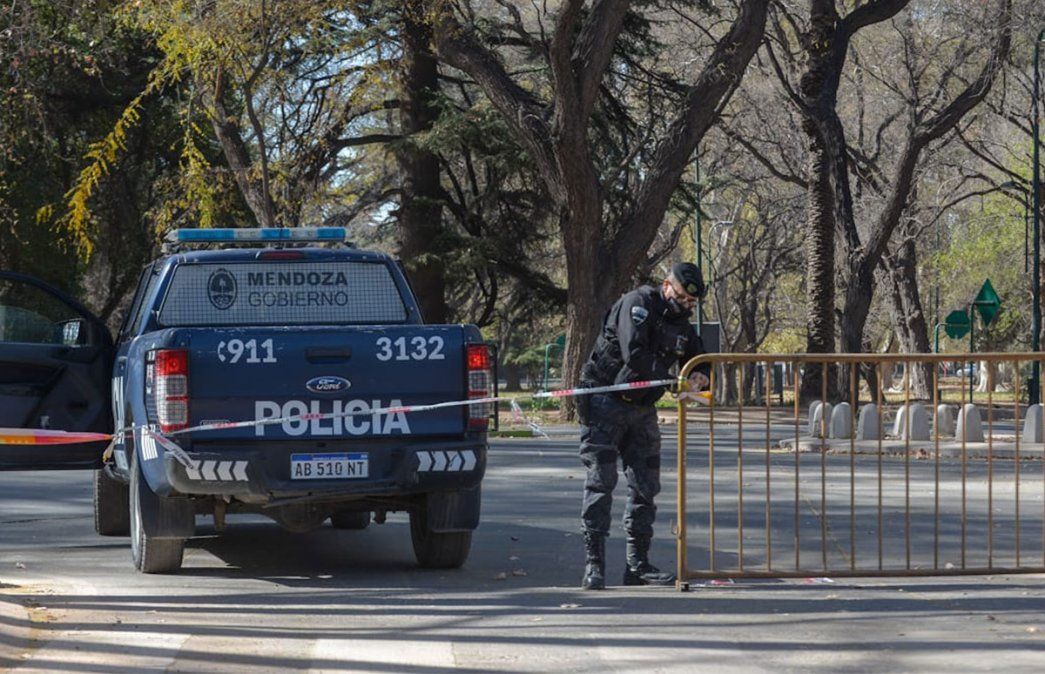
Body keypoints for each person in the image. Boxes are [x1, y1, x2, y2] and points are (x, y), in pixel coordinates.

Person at [576, 262, 711, 590]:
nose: (685, 306)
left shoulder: (681, 323)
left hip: (642, 409)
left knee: (646, 486)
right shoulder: (638, 304)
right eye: (681, 298)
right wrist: (674, 380)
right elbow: (634, 353)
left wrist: (701, 373)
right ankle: (594, 564)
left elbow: (698, 356)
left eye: (691, 303)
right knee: (600, 483)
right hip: (605, 403)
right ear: (667, 286)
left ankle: (637, 565)